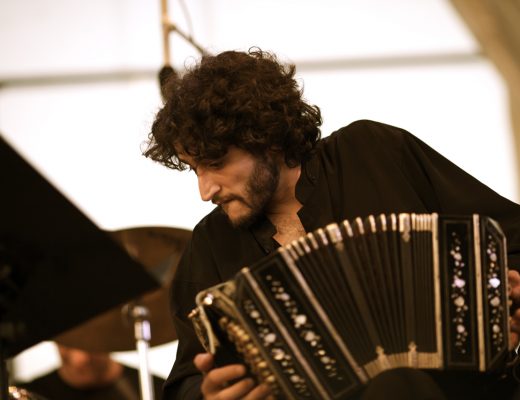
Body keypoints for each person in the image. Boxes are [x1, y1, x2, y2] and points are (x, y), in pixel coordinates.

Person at [144, 48, 520, 399]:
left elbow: (510, 238)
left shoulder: (374, 152)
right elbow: (185, 381)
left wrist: (509, 292)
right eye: (195, 169)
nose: (205, 190)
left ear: (265, 138)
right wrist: (210, 393)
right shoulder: (211, 244)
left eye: (216, 162)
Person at [18, 344, 165, 400]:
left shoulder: (163, 392)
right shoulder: (25, 394)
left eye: (88, 343)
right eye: (68, 343)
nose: (80, 359)